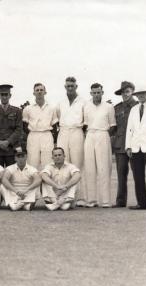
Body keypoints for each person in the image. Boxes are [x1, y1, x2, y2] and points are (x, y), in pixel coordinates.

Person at [83, 83, 116, 208]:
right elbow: (84, 125)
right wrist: (89, 135)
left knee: (104, 168)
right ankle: (91, 200)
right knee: (90, 168)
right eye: (94, 92)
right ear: (91, 93)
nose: (96, 94)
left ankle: (106, 201)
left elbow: (113, 125)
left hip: (103, 135)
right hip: (90, 135)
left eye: (98, 92)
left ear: (102, 92)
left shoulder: (109, 107)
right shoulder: (86, 106)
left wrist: (105, 137)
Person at [56, 76, 87, 207]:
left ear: (76, 87)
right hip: (63, 132)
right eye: (67, 86)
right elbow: (57, 118)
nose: (70, 88)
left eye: (72, 86)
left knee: (77, 164)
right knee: (64, 164)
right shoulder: (60, 103)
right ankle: (65, 196)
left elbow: (86, 120)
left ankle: (80, 198)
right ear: (65, 87)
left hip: (77, 131)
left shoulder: (83, 102)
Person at [112, 81, 138, 207]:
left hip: (135, 145)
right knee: (121, 175)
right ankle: (121, 202)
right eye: (122, 92)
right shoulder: (117, 108)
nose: (125, 94)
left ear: (132, 91)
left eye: (127, 91)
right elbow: (114, 128)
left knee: (138, 174)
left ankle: (142, 201)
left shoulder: (138, 106)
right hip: (120, 145)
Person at [22, 83, 58, 170]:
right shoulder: (28, 108)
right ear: (33, 93)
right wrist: (33, 132)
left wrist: (54, 140)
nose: (39, 92)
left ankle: (47, 182)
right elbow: (25, 125)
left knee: (48, 161)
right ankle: (34, 183)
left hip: (47, 135)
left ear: (45, 92)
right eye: (37, 90)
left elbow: (54, 125)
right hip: (33, 135)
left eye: (41, 90)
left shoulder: (52, 108)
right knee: (32, 161)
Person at [0, 84, 23, 167]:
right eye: (2, 95)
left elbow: (19, 129)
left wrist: (8, 141)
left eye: (6, 94)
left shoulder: (17, 111)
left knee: (12, 174)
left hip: (11, 148)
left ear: (10, 95)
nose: (4, 97)